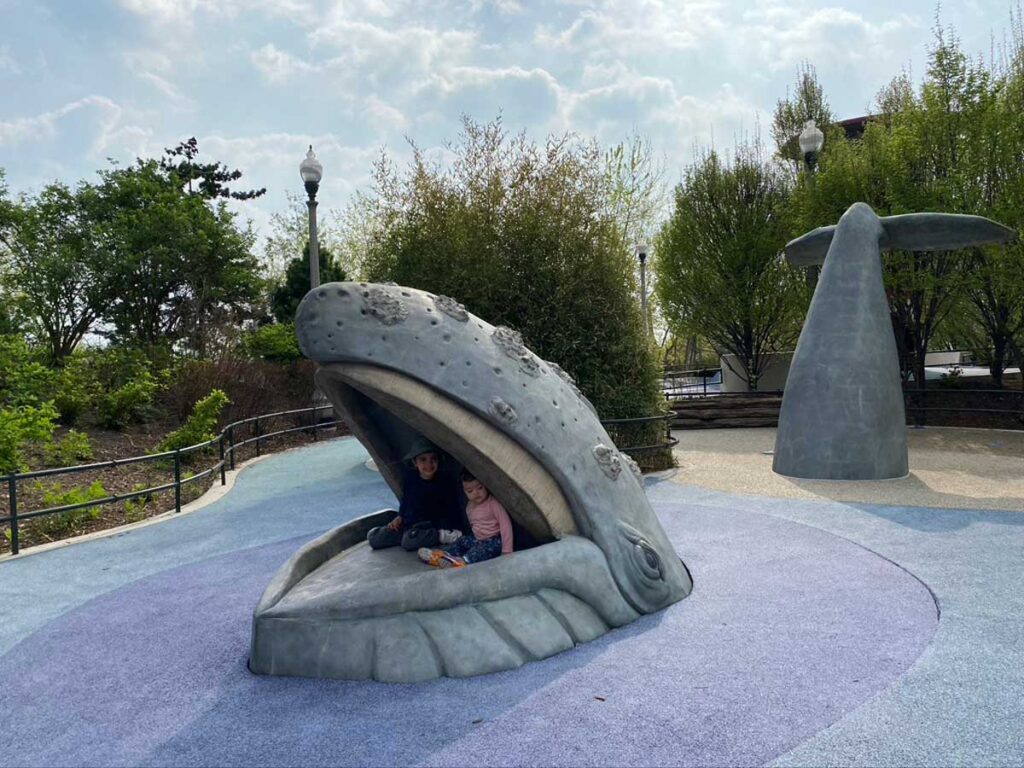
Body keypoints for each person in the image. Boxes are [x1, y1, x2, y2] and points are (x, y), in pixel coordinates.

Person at [367, 437, 463, 551]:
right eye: (423, 460)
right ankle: (409, 536)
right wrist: (400, 516)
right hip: (408, 526)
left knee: (409, 542)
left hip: (428, 526)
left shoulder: (443, 482)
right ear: (414, 462)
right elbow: (406, 501)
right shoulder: (411, 478)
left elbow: (450, 509)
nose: (429, 464)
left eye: (433, 459)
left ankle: (442, 536)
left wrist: (448, 527)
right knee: (374, 537)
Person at [418, 470, 513, 568]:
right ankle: (442, 555)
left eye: (480, 488)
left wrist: (507, 551)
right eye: (470, 491)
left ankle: (462, 561)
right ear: (465, 492)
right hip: (477, 538)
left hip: (494, 540)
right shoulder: (469, 506)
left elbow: (506, 526)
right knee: (462, 541)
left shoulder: (493, 504)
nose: (476, 493)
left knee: (480, 550)